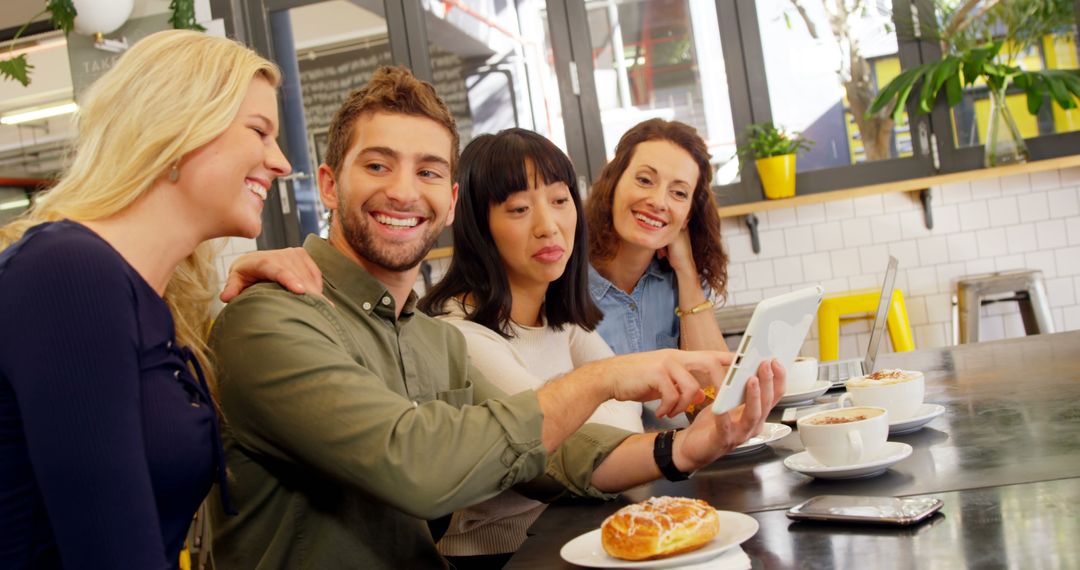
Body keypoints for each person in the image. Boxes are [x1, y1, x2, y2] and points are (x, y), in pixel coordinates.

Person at [207, 66, 784, 569]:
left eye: (429, 172)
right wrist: (605, 379)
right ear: (330, 186)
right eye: (379, 165)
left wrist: (688, 448)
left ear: (451, 201)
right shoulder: (271, 316)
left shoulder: (427, 337)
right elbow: (417, 467)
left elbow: (547, 453)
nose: (405, 191)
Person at [0, 30, 302, 569]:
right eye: (259, 131)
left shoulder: (141, 297)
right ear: (177, 129)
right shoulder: (67, 274)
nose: (280, 162)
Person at [418, 129, 642, 566]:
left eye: (560, 200)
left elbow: (627, 413)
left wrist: (590, 396)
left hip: (569, 532)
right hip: (498, 555)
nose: (548, 226)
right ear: (480, 228)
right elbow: (578, 448)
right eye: (519, 209)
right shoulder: (461, 333)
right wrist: (597, 393)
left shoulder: (557, 316)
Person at [585, 119, 730, 428]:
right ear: (614, 182)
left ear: (689, 213)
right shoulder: (565, 281)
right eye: (645, 180)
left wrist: (686, 270)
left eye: (678, 193)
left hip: (678, 461)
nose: (658, 202)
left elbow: (718, 403)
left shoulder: (676, 281)